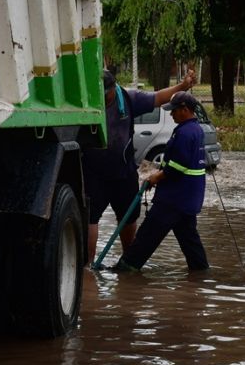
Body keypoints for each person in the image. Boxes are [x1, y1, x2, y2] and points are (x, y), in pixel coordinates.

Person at [83, 69, 196, 266]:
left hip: (123, 173)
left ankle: (128, 262)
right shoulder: (86, 101)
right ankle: (87, 268)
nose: (103, 99)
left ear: (113, 88)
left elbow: (158, 98)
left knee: (128, 217)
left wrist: (183, 86)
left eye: (106, 95)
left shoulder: (127, 99)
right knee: (90, 219)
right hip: (94, 173)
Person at [114, 91, 208, 271]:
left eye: (174, 111)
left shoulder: (185, 133)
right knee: (190, 242)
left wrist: (156, 177)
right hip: (187, 198)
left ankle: (125, 269)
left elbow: (177, 167)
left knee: (147, 235)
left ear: (185, 110)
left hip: (173, 199)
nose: (171, 114)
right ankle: (201, 277)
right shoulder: (195, 129)